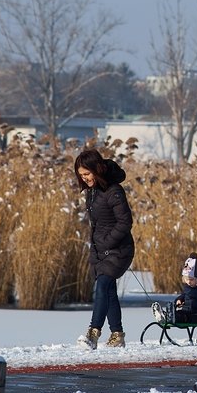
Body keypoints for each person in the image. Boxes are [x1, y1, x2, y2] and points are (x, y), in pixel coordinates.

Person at [74, 149, 135, 349]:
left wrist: (108, 242)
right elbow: (97, 225)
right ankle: (117, 335)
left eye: (87, 174)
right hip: (101, 250)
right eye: (81, 175)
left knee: (102, 285)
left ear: (97, 169)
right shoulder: (92, 192)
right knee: (107, 290)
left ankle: (93, 333)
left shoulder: (114, 191)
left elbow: (125, 222)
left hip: (119, 249)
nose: (85, 178)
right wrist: (96, 249)